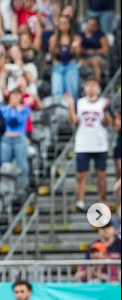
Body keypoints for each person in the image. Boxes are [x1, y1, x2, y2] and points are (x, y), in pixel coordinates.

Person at [67, 78, 111, 211]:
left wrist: (104, 110)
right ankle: (80, 201)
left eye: (94, 85)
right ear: (85, 88)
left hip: (99, 143)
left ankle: (102, 200)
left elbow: (108, 123)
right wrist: (70, 106)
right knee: (81, 175)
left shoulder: (104, 102)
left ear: (98, 88)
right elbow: (73, 121)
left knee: (101, 174)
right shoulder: (79, 103)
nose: (91, 88)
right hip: (83, 143)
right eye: (88, 85)